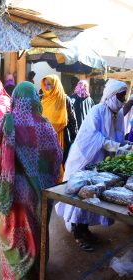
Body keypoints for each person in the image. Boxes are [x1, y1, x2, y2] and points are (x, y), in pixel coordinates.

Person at [0, 81, 63, 279]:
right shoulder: (45, 126)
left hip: (12, 195)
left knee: (15, 237)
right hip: (39, 195)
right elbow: (56, 158)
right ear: (35, 99)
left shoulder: (4, 123)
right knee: (37, 234)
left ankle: (18, 273)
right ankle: (36, 270)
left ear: (14, 99)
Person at [55, 79, 128, 251]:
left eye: (125, 96)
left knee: (92, 197)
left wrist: (124, 145)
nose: (123, 100)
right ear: (111, 95)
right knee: (79, 196)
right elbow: (92, 137)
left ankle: (84, 228)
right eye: (120, 96)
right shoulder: (97, 110)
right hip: (85, 159)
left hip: (101, 163)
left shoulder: (117, 115)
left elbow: (118, 137)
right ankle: (77, 233)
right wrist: (116, 146)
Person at [41, 74, 78, 178]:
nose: (47, 87)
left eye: (50, 84)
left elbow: (72, 120)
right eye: (45, 85)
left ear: (56, 85)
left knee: (59, 163)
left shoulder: (64, 99)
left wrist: (75, 138)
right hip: (44, 137)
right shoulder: (42, 99)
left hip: (61, 137)